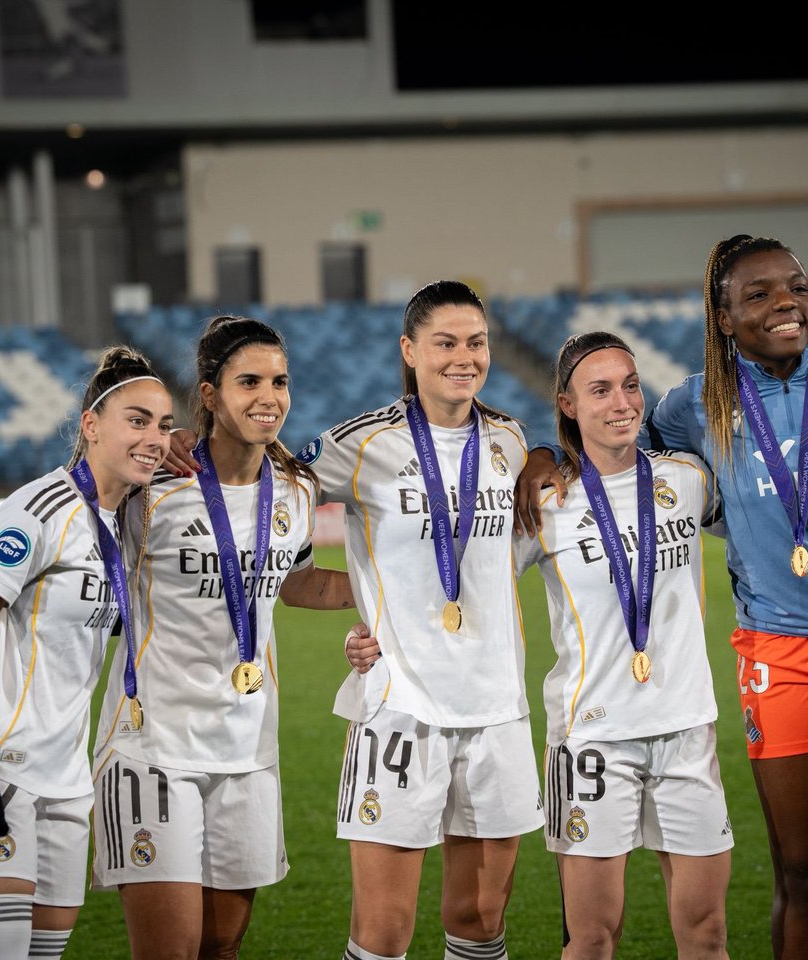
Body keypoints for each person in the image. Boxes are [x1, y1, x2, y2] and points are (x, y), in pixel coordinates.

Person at [514, 235, 808, 960]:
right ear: (722, 316)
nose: (786, 305)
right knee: (801, 877)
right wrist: (546, 453)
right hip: (778, 655)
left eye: (796, 287)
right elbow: (612, 448)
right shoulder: (692, 406)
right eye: (760, 294)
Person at [90, 316, 357, 960]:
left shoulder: (294, 488)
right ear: (209, 396)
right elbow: (87, 473)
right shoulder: (151, 484)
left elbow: (295, 585)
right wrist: (155, 443)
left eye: (280, 381)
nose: (270, 396)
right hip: (153, 747)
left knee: (223, 948)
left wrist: (392, 591)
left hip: (246, 750)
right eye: (249, 382)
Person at [303, 280, 543, 960]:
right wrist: (365, 608)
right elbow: (268, 497)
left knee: (480, 919)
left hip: (497, 710)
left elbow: (510, 554)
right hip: (399, 711)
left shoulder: (510, 441)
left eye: (476, 342)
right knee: (383, 931)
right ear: (410, 351)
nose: (463, 356)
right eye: (445, 343)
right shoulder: (359, 444)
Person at [0, 347, 174, 959]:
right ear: (90, 424)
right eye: (136, 420)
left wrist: (169, 444)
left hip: (66, 782)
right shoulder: (39, 510)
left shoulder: (121, 521)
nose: (154, 438)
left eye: (163, 424)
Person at [514, 331, 732, 959]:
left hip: (687, 729)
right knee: (592, 938)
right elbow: (474, 589)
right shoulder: (546, 501)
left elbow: (764, 521)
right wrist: (374, 636)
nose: (622, 402)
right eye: (600, 389)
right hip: (590, 737)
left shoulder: (686, 480)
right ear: (568, 403)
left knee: (707, 934)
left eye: (630, 385)